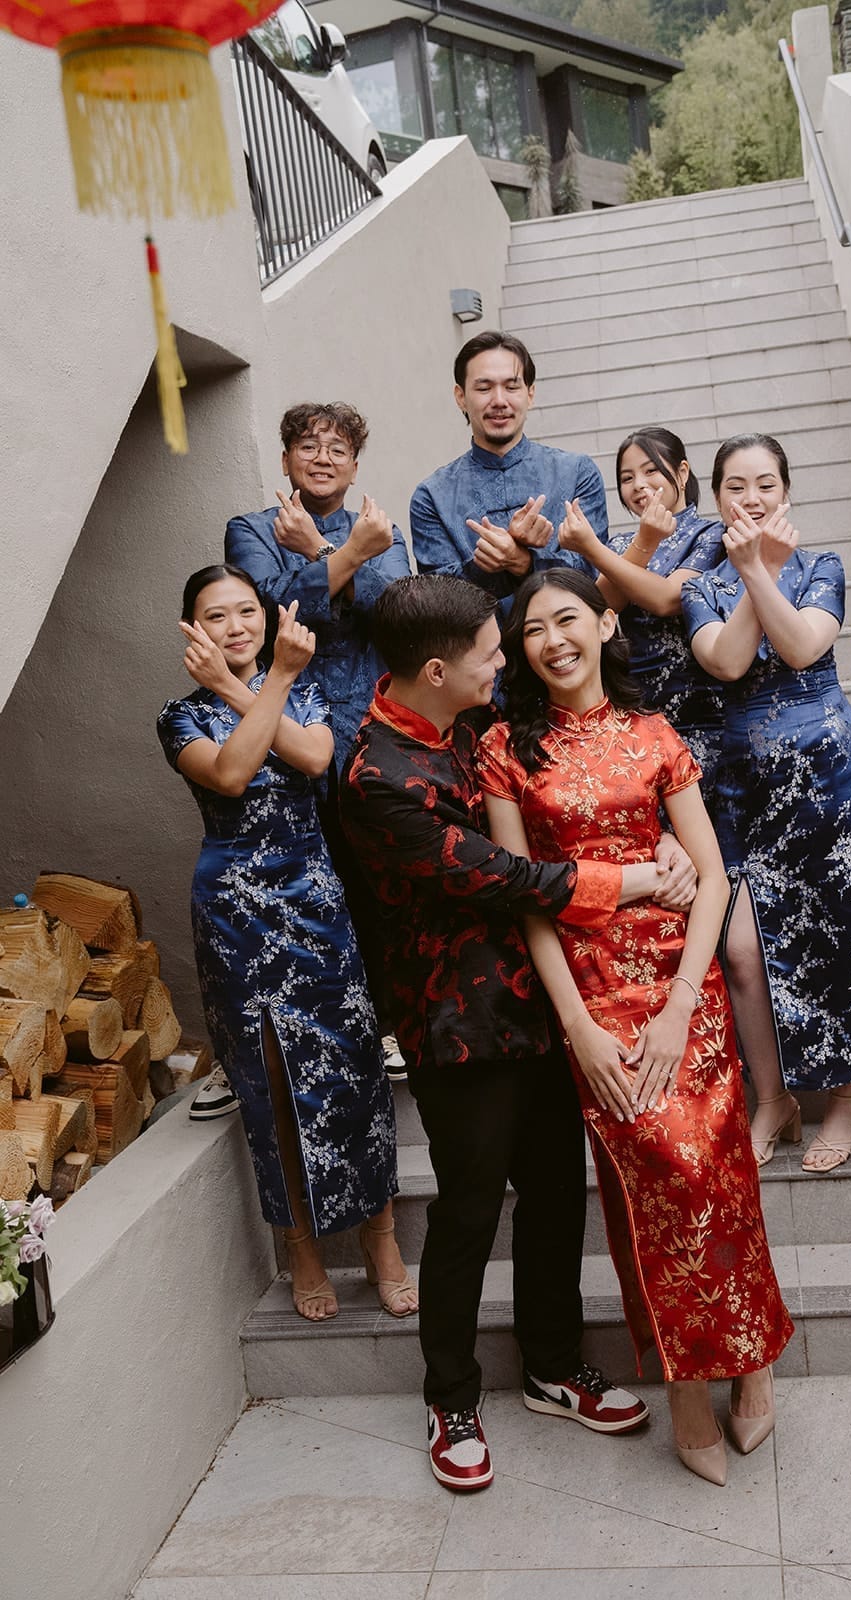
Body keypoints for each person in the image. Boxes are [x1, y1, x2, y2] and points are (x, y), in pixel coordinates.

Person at [341, 574, 698, 1493]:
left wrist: (660, 840)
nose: (505, 662)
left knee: (553, 1193)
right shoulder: (375, 778)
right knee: (467, 1209)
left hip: (549, 998)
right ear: (436, 670)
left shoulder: (476, 729)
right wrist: (633, 881)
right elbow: (505, 876)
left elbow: (560, 809)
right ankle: (449, 1395)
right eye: (490, 652)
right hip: (458, 1025)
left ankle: (552, 1365)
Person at [478, 568, 792, 1485]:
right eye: (532, 629)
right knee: (653, 1183)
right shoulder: (504, 748)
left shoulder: (654, 734)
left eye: (566, 619)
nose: (552, 640)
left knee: (721, 1175)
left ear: (605, 623)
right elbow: (524, 898)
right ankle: (685, 1386)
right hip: (591, 991)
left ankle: (753, 1361)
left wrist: (687, 999)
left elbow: (712, 875)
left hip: (683, 987)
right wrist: (575, 1025)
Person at [157, 564, 415, 1323]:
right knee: (269, 1081)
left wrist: (256, 682)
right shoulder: (178, 717)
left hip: (315, 898)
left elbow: (313, 758)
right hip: (235, 910)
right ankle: (301, 1249)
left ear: (267, 621)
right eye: (216, 615)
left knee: (354, 1066)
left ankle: (381, 1238)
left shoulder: (305, 693)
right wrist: (260, 682)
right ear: (192, 630)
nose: (236, 626)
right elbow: (233, 773)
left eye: (247, 611)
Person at [682, 434, 851, 1172]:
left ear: (786, 493)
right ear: (716, 496)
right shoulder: (696, 586)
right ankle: (774, 1097)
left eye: (765, 485)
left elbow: (803, 648)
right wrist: (754, 569)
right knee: (740, 949)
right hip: (737, 786)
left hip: (826, 777)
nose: (751, 498)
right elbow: (726, 661)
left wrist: (761, 570)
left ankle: (843, 1099)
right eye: (735, 486)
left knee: (839, 935)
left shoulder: (822, 566)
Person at [224, 401, 413, 1090]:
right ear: (285, 460)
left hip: (369, 727)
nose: (323, 458)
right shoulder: (250, 528)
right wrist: (347, 557)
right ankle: (320, 1029)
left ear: (355, 467)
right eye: (308, 445)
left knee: (377, 880)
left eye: (338, 448)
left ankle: (390, 1023)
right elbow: (268, 609)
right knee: (305, 881)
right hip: (286, 722)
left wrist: (323, 552)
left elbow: (398, 615)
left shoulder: (381, 529)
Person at [556, 426, 726, 798]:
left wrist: (592, 548)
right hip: (636, 704)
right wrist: (640, 543)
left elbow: (669, 599)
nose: (639, 485)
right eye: (627, 478)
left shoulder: (710, 534)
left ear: (682, 472)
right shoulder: (620, 544)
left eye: (651, 471)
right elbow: (600, 609)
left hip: (701, 705)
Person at [409, 330, 608, 600]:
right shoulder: (431, 496)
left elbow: (594, 574)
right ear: (460, 397)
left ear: (530, 394)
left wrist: (524, 560)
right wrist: (494, 561)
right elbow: (439, 597)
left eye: (512, 387)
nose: (499, 401)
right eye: (484, 388)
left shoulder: (578, 473)